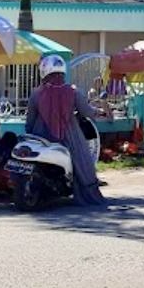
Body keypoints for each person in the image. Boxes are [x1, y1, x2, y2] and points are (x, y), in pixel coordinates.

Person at [25, 54, 105, 205]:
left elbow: (30, 121)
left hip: (41, 136)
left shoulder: (36, 93)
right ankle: (85, 192)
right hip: (70, 137)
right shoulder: (74, 92)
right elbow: (86, 112)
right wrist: (98, 111)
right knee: (82, 161)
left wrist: (30, 134)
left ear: (44, 72)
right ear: (62, 71)